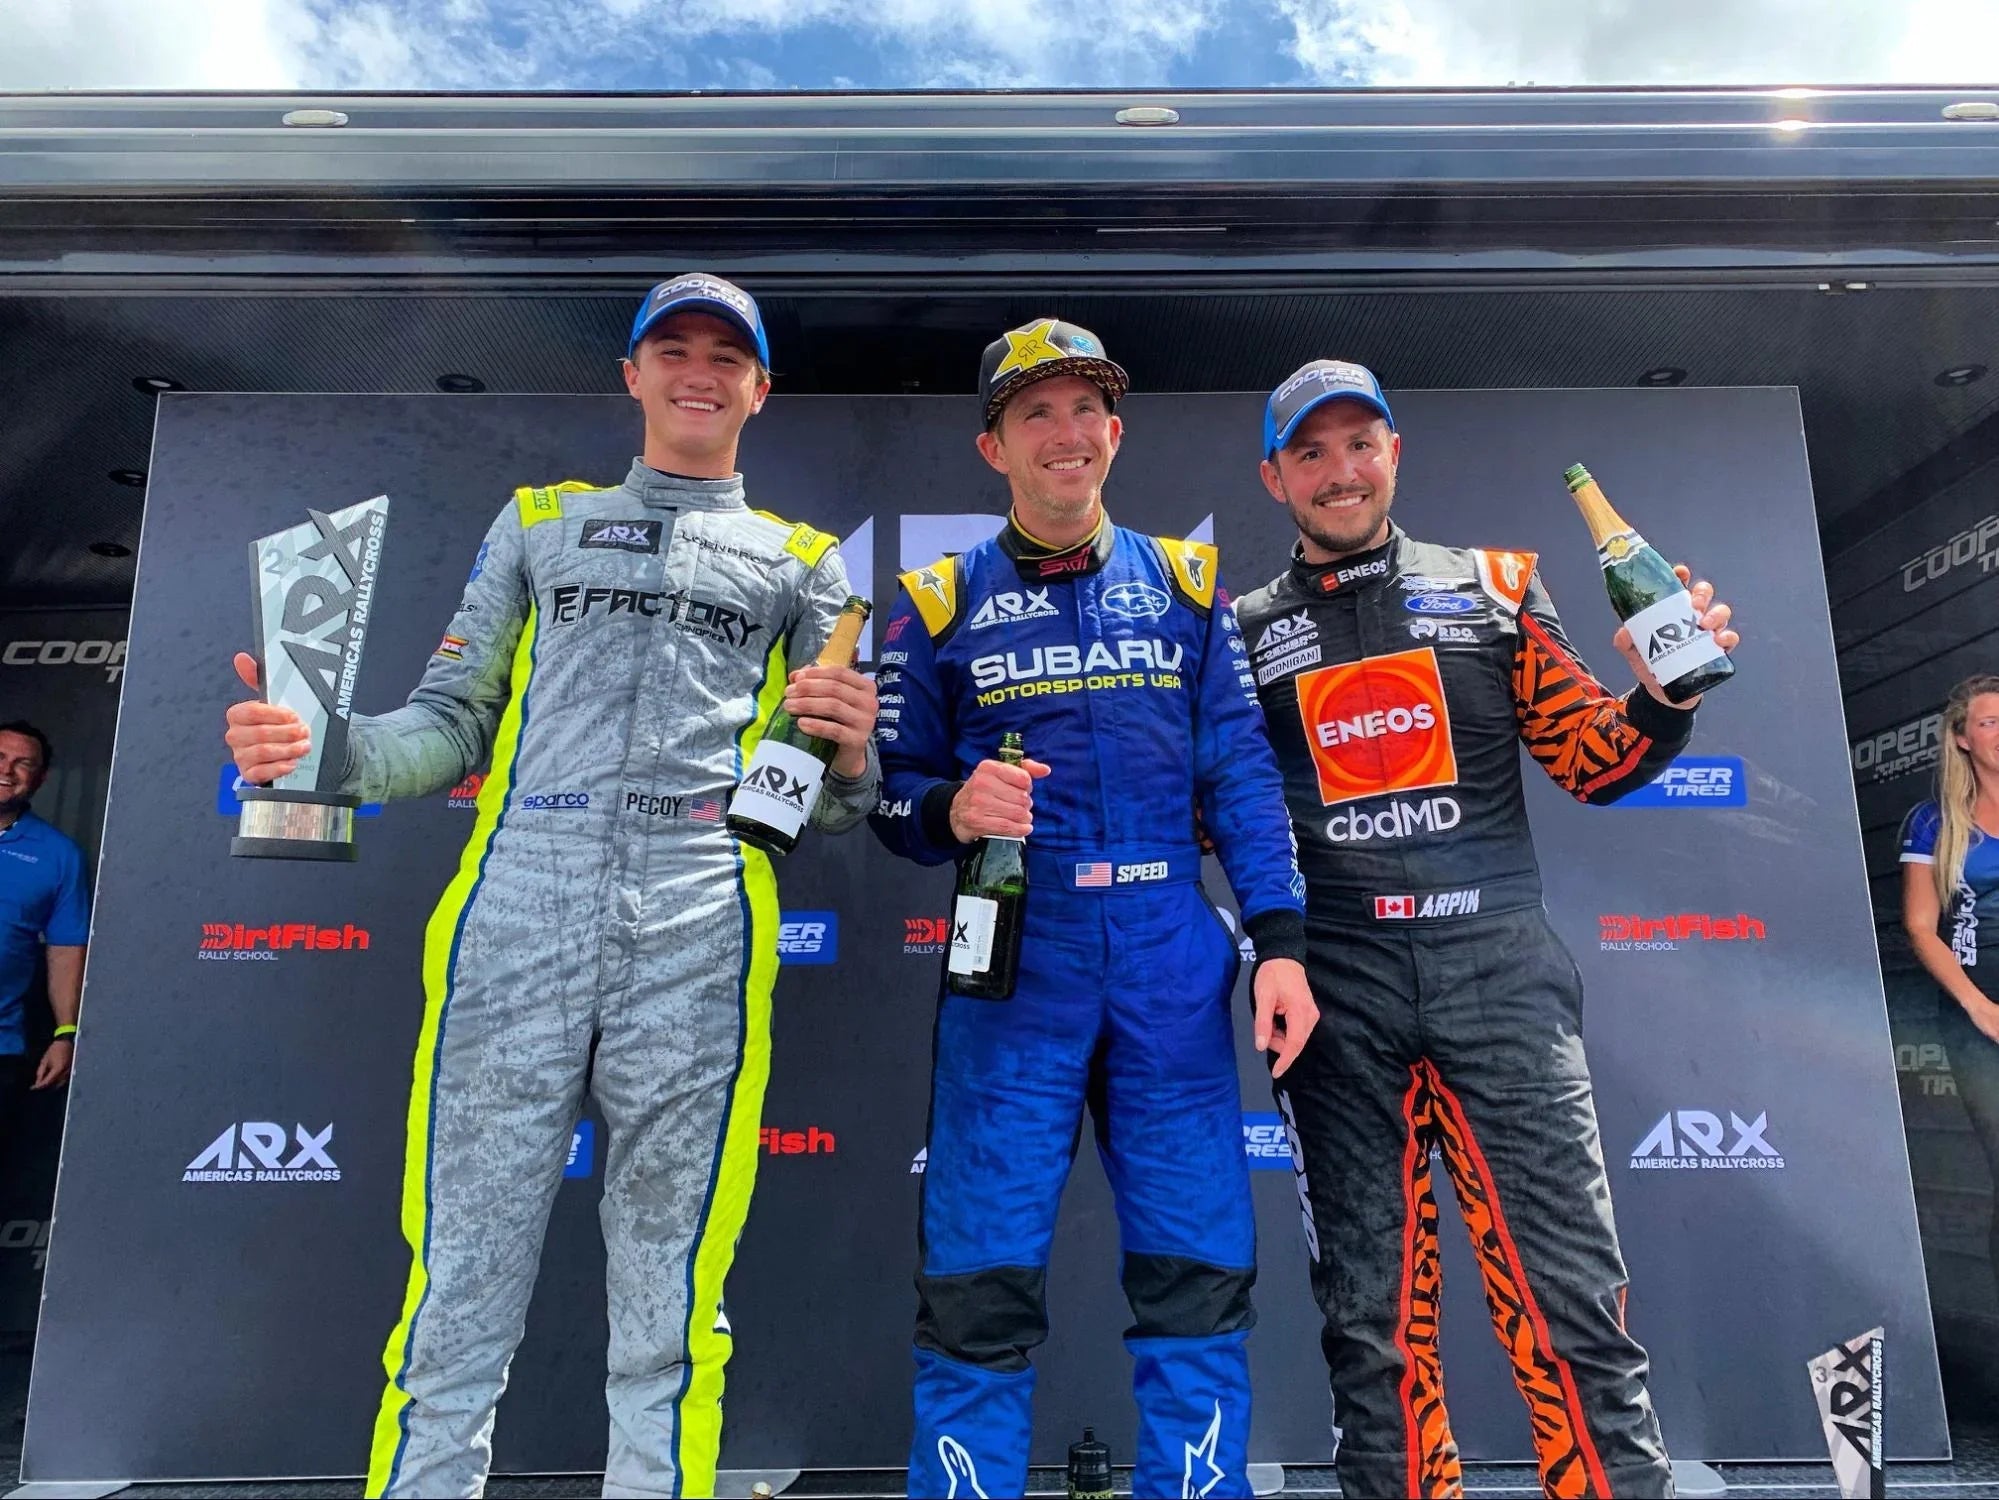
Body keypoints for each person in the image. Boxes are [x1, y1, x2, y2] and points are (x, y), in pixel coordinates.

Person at [223, 274, 881, 1500]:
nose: (698, 372)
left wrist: (849, 746)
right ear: (630, 375)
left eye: (725, 357)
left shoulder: (808, 565)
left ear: (759, 388)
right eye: (671, 349)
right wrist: (324, 753)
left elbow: (832, 803)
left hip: (700, 917)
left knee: (672, 1287)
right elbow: (448, 727)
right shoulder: (536, 519)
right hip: (518, 907)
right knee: (459, 1275)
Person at [1235, 359, 1740, 1500]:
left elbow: (1596, 761)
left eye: (1359, 443)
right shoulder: (1243, 631)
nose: (1338, 471)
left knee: (1573, 1306)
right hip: (1340, 995)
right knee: (1370, 1330)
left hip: (1498, 976)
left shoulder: (1496, 586)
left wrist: (1666, 697)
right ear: (1275, 477)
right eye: (1309, 452)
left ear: (1395, 454)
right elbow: (1224, 813)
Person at [870, 317, 1319, 1500]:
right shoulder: (935, 597)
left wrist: (1278, 941)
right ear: (994, 447)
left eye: (1083, 412)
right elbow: (886, 795)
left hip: (1170, 955)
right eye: (1035, 415)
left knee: (1197, 1273)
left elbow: (1238, 772)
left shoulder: (1185, 583)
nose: (1063, 436)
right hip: (1012, 960)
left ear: (1113, 433)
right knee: (976, 1279)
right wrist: (951, 809)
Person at [1901, 673, 1999, 1308]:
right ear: (1962, 739)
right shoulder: (1934, 820)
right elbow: (1919, 925)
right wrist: (1979, 1007)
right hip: (1979, 1013)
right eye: (1989, 722)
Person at [0, 721, 86, 1141]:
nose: (7, 771)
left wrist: (65, 1032)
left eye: (22, 764)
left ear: (40, 778)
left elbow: (66, 948)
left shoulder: (59, 855)